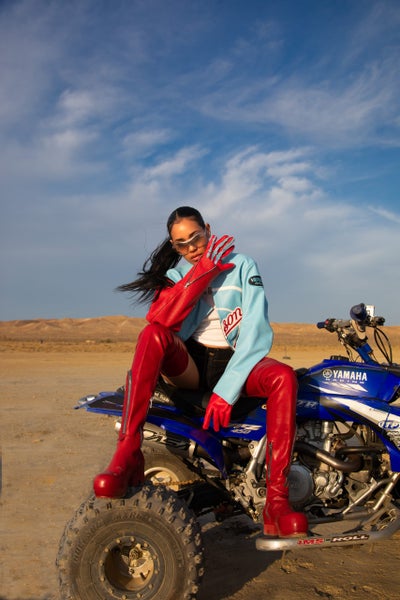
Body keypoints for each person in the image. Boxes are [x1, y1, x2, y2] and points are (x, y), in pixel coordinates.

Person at [94, 206, 308, 538]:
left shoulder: (242, 265)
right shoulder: (177, 274)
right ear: (173, 246)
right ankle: (128, 453)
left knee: (283, 376)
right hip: (191, 364)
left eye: (196, 237)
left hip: (237, 360)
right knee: (151, 335)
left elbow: (255, 332)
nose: (192, 248)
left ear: (207, 228)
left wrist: (226, 391)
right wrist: (202, 272)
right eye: (182, 244)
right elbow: (161, 321)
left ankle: (276, 502)